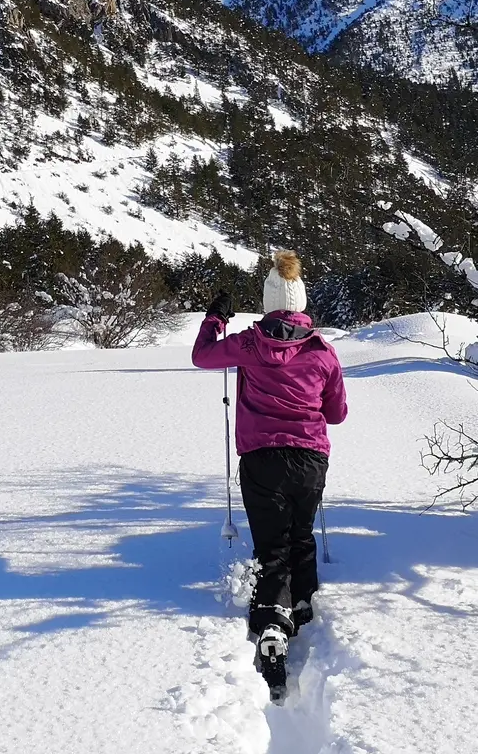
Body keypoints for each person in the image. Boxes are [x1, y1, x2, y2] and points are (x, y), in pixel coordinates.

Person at [191, 250, 347, 698]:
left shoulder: (249, 342)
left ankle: (271, 621)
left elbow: (202, 357)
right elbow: (336, 413)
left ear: (267, 301)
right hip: (310, 458)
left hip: (261, 458)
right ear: (301, 304)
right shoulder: (322, 352)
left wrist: (215, 319)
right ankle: (303, 602)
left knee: (271, 543)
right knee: (300, 534)